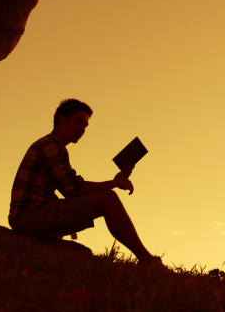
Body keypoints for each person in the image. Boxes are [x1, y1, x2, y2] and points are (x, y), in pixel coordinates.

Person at [9, 98, 160, 264]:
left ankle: (51, 244)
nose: (82, 129)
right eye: (78, 122)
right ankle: (147, 260)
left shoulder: (52, 145)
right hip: (29, 218)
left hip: (29, 218)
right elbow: (74, 189)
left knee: (80, 246)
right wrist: (114, 183)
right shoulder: (52, 145)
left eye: (85, 126)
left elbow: (71, 193)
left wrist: (114, 181)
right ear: (62, 119)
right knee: (109, 199)